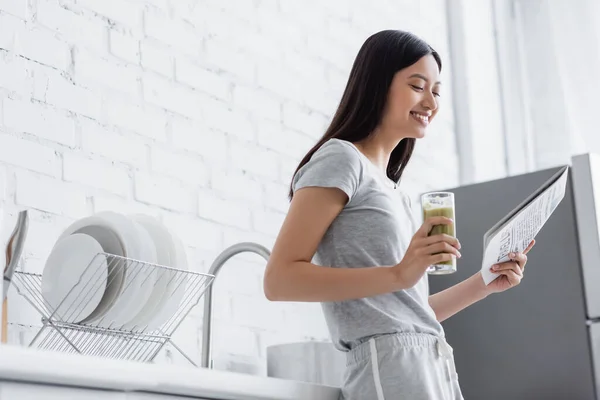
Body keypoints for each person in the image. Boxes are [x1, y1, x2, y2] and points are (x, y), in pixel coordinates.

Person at [263, 30, 535, 400]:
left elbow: (407, 313)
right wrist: (399, 273)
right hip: (389, 370)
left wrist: (485, 283)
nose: (430, 102)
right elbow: (279, 280)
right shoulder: (341, 159)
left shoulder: (397, 193)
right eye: (417, 85)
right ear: (378, 85)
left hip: (431, 363)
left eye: (436, 91)